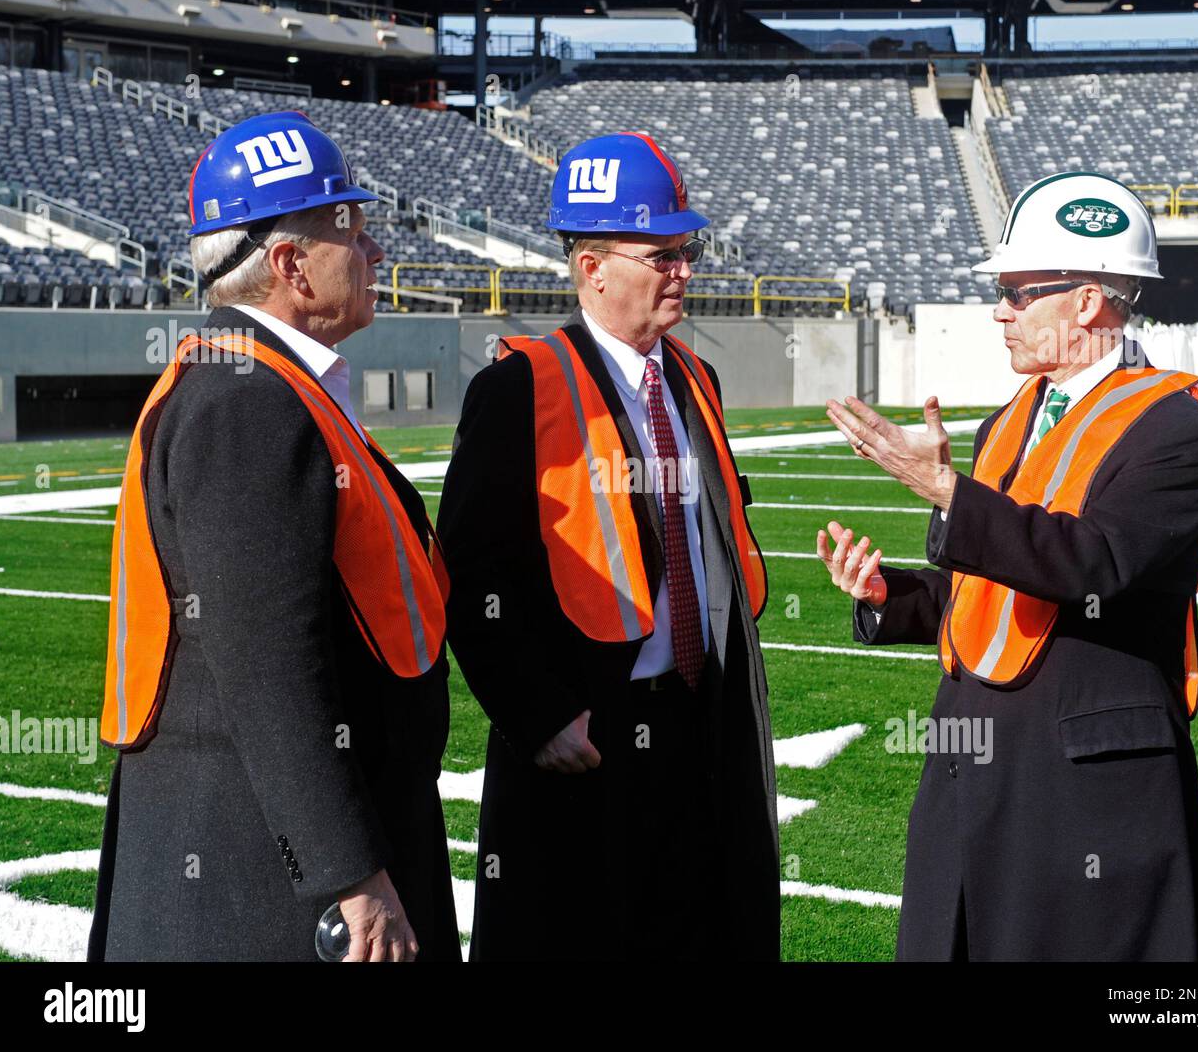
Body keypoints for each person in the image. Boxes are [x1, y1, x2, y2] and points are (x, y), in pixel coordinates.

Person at [818, 172, 1198, 961]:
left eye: (1017, 290)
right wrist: (892, 597)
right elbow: (993, 584)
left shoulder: (1181, 427)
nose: (999, 310)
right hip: (970, 765)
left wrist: (944, 490)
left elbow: (1094, 563)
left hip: (1082, 778)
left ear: (1086, 301)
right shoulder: (1007, 420)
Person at [88, 111, 459, 962]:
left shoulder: (267, 383)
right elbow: (268, 660)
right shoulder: (246, 399)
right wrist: (347, 873)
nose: (374, 254)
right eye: (353, 232)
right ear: (291, 265)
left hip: (263, 854)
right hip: (253, 882)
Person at [437, 132, 779, 960]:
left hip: (702, 719)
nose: (684, 270)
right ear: (592, 267)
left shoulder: (698, 378)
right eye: (662, 254)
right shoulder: (517, 387)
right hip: (590, 734)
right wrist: (537, 716)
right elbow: (468, 573)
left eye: (686, 250)